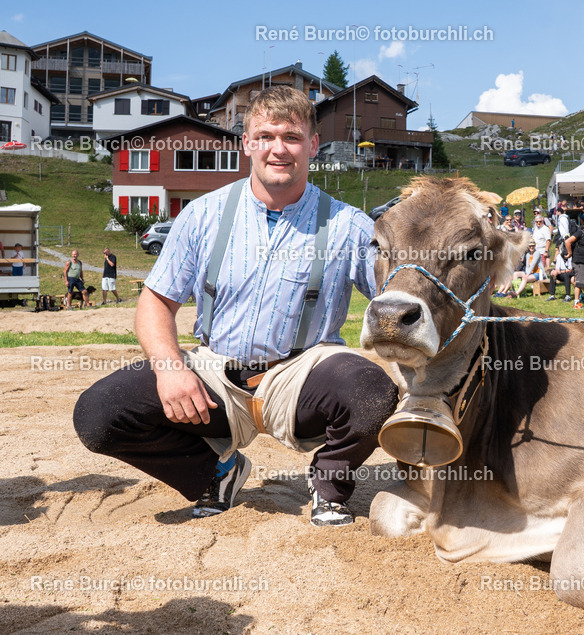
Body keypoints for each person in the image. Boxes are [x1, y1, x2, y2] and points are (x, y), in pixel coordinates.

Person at [72, 86, 399, 526]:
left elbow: (398, 297)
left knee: (372, 392)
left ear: (313, 145)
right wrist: (171, 369)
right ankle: (216, 472)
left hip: (302, 375)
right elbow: (156, 301)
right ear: (246, 143)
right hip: (215, 373)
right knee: (99, 414)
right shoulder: (202, 215)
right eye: (265, 136)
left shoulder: (350, 226)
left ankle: (328, 486)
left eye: (292, 137)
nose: (277, 149)